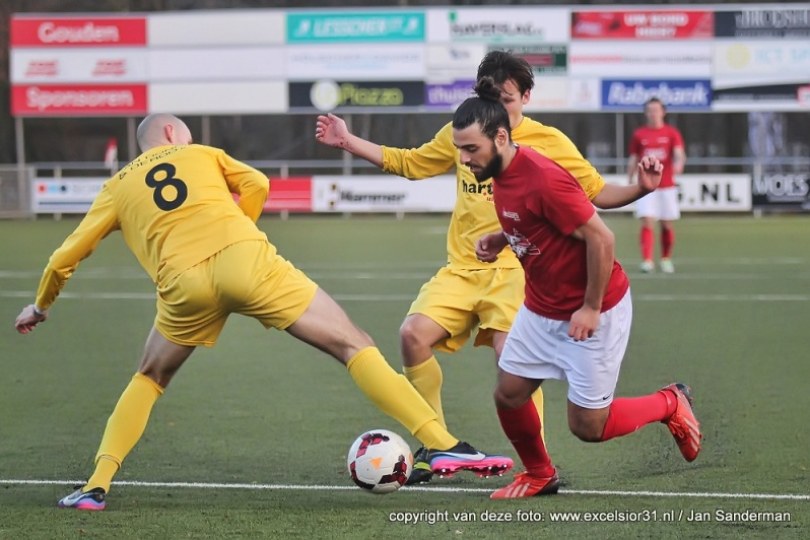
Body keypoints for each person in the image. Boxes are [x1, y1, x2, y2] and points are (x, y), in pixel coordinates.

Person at [14, 113, 513, 511]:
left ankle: (96, 485)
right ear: (172, 134)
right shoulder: (199, 152)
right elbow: (256, 183)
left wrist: (41, 305)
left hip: (183, 287)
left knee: (149, 376)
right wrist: (239, 229)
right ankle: (439, 441)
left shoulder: (118, 186)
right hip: (247, 262)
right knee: (352, 343)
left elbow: (65, 257)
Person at [315, 51, 659, 484]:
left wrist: (641, 189)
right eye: (490, 98)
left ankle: (539, 466)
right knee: (411, 337)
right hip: (461, 268)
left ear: (526, 97)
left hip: (516, 272)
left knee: (510, 361)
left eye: (508, 100)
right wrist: (347, 141)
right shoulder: (465, 131)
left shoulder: (547, 143)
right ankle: (437, 446)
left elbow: (595, 193)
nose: (499, 109)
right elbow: (410, 163)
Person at [457, 78, 702, 499]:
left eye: (470, 149)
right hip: (541, 309)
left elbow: (601, 238)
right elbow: (534, 216)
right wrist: (503, 237)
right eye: (460, 149)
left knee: (589, 426)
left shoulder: (541, 176)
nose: (464, 159)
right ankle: (539, 473)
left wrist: (589, 308)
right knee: (509, 393)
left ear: (500, 137)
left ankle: (670, 403)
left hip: (595, 310)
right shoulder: (500, 169)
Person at [627, 97, 686, 274]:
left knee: (667, 224)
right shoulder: (639, 134)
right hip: (646, 187)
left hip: (666, 186)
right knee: (647, 220)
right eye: (650, 110)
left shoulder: (671, 133)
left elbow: (679, 153)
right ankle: (647, 261)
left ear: (663, 112)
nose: (653, 113)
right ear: (646, 113)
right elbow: (633, 158)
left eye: (656, 110)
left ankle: (666, 259)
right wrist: (630, 177)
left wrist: (679, 163)